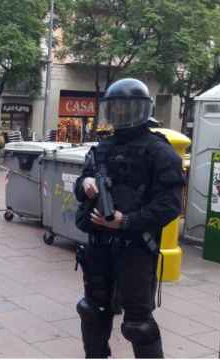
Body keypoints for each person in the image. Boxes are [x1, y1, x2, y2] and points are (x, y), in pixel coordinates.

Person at [73, 78, 185, 358]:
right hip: (99, 246)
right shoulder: (102, 148)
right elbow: (79, 185)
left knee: (139, 324)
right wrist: (86, 184)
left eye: (128, 108)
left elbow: (169, 205)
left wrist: (125, 221)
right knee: (93, 312)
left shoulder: (160, 152)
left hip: (135, 249)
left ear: (142, 109)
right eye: (117, 108)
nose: (122, 115)